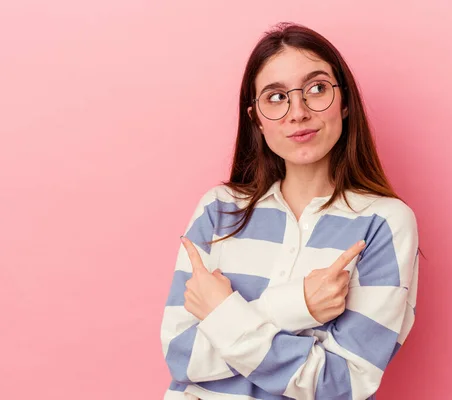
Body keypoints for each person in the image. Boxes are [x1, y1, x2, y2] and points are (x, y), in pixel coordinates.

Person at [160, 22, 421, 400]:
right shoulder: (219, 209)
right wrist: (299, 305)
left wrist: (221, 313)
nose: (297, 112)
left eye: (317, 89)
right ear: (256, 118)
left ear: (345, 102)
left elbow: (341, 383)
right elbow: (181, 355)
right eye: (276, 97)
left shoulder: (385, 222)